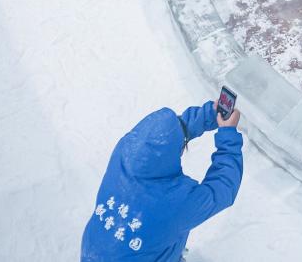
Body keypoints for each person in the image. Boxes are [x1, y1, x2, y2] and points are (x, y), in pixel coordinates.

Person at [81, 100, 243, 261]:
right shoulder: (175, 202)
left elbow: (161, 136)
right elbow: (223, 188)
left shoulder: (124, 152)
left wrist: (208, 114)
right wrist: (228, 135)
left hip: (94, 253)